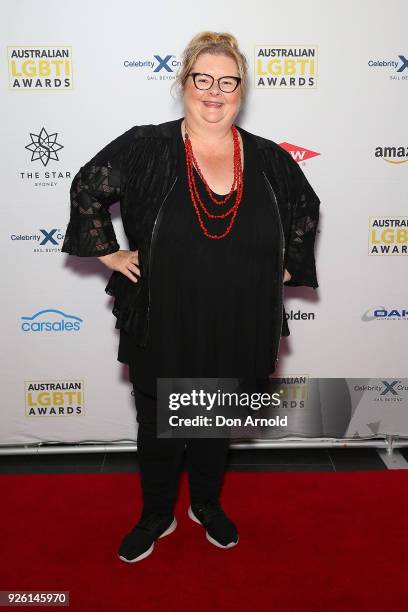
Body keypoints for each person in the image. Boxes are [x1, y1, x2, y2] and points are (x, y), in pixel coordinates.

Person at [61, 31, 320, 563]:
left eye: (228, 81)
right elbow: (87, 186)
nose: (215, 91)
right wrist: (108, 252)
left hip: (238, 314)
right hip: (165, 314)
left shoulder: (268, 158)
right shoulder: (146, 146)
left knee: (215, 418)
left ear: (241, 90)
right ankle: (158, 513)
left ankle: (205, 502)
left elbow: (305, 206)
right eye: (203, 78)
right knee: (158, 422)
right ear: (185, 83)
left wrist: (288, 264)